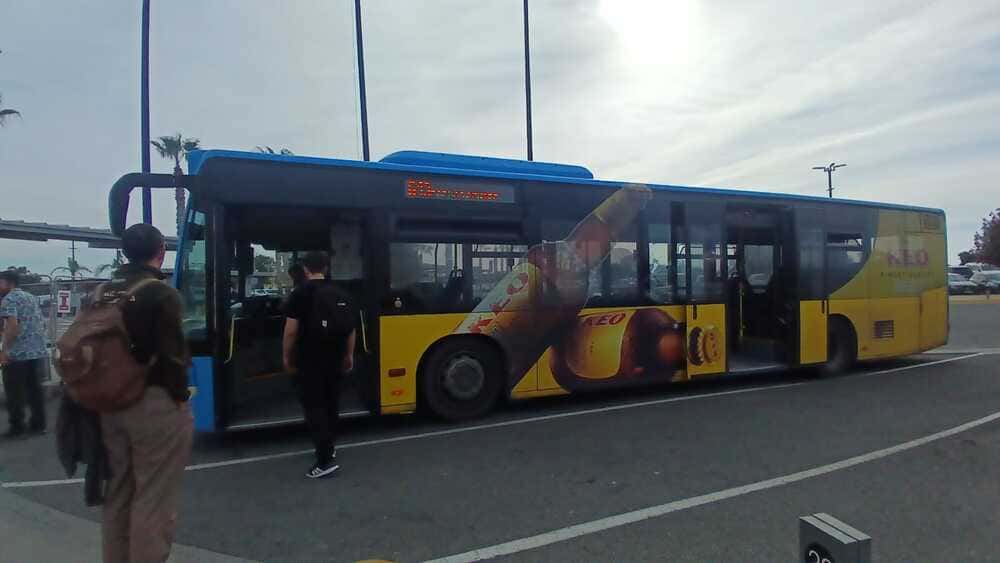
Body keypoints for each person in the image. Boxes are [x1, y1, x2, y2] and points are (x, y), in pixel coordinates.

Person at [98, 223, 193, 563]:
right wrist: (181, 398)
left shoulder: (104, 290)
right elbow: (172, 355)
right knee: (154, 497)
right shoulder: (159, 292)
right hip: (152, 402)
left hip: (108, 403)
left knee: (119, 492)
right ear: (160, 252)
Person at [282, 250, 356, 479]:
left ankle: (323, 461)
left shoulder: (299, 294)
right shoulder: (340, 292)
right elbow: (351, 329)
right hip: (335, 356)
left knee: (315, 407)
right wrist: (349, 355)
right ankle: (330, 447)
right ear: (326, 268)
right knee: (331, 404)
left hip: (309, 359)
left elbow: (291, 332)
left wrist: (286, 357)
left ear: (306, 269)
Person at [0, 270, 49, 438]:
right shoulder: (30, 297)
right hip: (36, 351)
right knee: (35, 390)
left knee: (14, 392)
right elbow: (41, 322)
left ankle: (17, 427)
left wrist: (4, 350)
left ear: (8, 283)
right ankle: (39, 424)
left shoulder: (8, 300)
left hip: (18, 353)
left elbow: (12, 327)